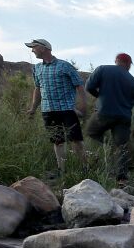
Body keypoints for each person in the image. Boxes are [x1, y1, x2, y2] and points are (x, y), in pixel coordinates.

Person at [25, 39, 88, 173]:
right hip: (48, 110)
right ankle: (62, 171)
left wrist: (82, 106)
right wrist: (33, 108)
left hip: (67, 109)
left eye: (34, 47)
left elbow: (79, 86)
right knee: (57, 141)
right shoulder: (37, 68)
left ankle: (85, 169)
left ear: (43, 48)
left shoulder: (64, 66)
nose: (32, 50)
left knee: (76, 140)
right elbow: (38, 89)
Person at [85, 53, 134, 182]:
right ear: (128, 64)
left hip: (104, 112)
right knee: (122, 146)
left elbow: (88, 87)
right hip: (124, 118)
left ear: (116, 60)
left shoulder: (103, 69)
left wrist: (99, 96)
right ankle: (121, 178)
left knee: (91, 132)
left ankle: (107, 148)